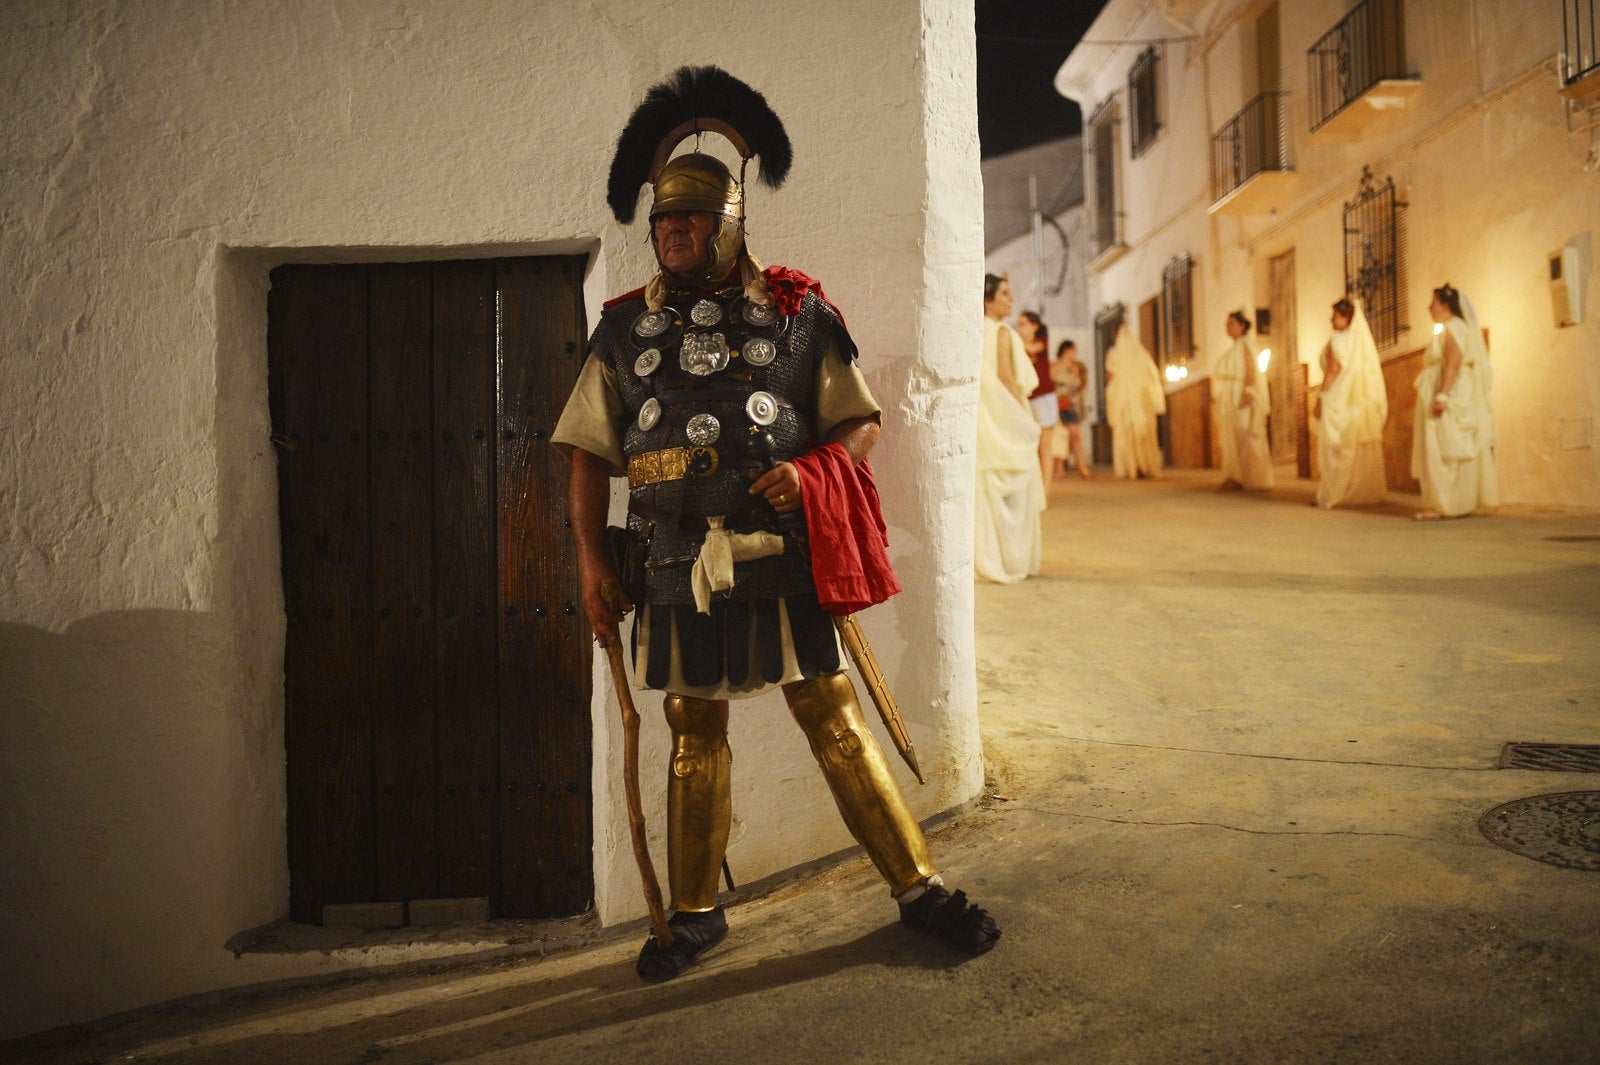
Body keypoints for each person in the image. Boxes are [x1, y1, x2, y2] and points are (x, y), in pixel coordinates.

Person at [552, 66, 998, 983]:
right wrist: (593, 560)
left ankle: (919, 888)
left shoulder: (798, 316)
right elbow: (587, 455)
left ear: (730, 227)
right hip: (675, 561)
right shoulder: (621, 333)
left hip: (781, 557)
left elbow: (859, 420)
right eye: (663, 224)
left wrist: (812, 470)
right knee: (691, 725)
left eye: (692, 223)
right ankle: (697, 911)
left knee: (831, 715)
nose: (674, 237)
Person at [975, 274, 1045, 583]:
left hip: (985, 417)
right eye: (1004, 293)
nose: (1011, 298)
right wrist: (1023, 415)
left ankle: (990, 558)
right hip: (1003, 412)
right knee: (1017, 489)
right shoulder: (1001, 331)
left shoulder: (975, 332)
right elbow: (1005, 376)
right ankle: (1014, 558)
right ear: (987, 300)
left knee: (990, 488)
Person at [1412, 283, 1498, 520]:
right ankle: (1456, 502)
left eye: (1433, 303)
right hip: (1452, 390)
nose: (1429, 307)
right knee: (1450, 446)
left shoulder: (1453, 328)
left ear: (1445, 305)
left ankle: (1442, 504)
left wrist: (1442, 396)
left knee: (1442, 447)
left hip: (1450, 392)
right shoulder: (1455, 328)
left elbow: (1453, 362)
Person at [1314, 297, 1388, 508]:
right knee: (1356, 447)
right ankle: (1357, 492)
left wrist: (1321, 398)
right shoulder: (1361, 344)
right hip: (1358, 402)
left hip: (1338, 398)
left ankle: (1336, 492)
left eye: (1335, 316)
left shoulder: (1337, 341)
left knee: (1335, 447)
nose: (1331, 320)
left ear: (1346, 317)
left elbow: (1332, 370)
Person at [1212, 311, 1275, 490]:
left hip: (1241, 394)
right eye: (1227, 323)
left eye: (1232, 323)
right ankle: (1236, 475)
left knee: (1246, 434)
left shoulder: (1246, 345)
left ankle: (1252, 476)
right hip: (1232, 395)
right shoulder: (1236, 347)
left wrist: (1247, 392)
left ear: (1242, 326)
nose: (1228, 327)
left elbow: (1250, 370)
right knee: (1234, 437)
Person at [1103, 324, 1165, 479]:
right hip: (1142, 399)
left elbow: (1110, 375)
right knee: (1144, 432)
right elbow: (1152, 375)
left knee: (1126, 432)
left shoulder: (1114, 353)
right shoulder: (1142, 354)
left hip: (1123, 399)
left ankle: (1129, 468)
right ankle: (1145, 465)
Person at [1016, 310, 1058, 493]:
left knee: (1045, 445)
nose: (1019, 327)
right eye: (1018, 324)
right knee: (1029, 444)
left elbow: (1033, 349)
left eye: (1023, 323)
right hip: (1026, 398)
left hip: (1044, 397)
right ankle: (1033, 489)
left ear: (1035, 326)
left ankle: (1045, 490)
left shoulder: (1041, 343)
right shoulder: (1016, 344)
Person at [1051, 339, 1094, 479]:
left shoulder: (1077, 367)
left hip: (1072, 404)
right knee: (1060, 435)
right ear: (1066, 350)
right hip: (1058, 403)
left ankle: (1081, 466)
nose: (1075, 353)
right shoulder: (1056, 366)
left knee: (1075, 434)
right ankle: (1060, 467)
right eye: (1073, 350)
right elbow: (1051, 384)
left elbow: (1082, 386)